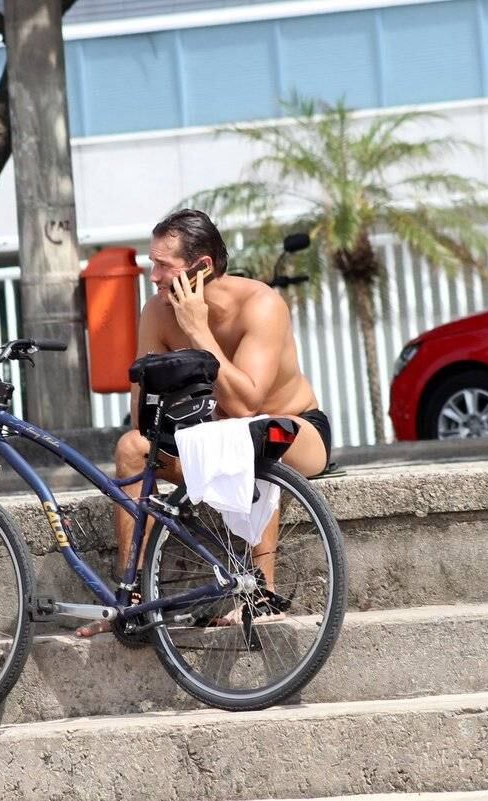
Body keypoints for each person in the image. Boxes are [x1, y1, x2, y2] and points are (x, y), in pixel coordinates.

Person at [76, 209, 333, 637]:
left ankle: (261, 593)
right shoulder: (157, 312)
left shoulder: (261, 305)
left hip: (293, 432)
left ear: (201, 267)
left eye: (163, 265)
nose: (153, 276)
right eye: (151, 263)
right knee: (131, 447)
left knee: (254, 433)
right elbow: (144, 413)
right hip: (210, 436)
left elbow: (247, 403)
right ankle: (132, 599)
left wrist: (198, 332)